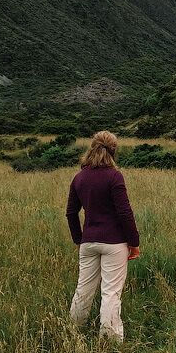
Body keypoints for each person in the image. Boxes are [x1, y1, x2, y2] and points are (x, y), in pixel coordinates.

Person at [65, 131, 140, 340]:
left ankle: (73, 332)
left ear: (92, 148)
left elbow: (71, 213)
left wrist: (79, 240)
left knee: (84, 290)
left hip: (88, 242)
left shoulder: (79, 178)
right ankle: (110, 341)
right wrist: (134, 243)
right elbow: (124, 212)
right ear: (114, 150)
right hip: (115, 243)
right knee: (111, 293)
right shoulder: (114, 176)